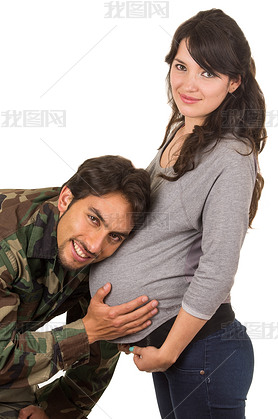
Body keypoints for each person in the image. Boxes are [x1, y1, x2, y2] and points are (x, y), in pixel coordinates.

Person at [86, 9, 266, 418]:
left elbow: (219, 267)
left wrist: (167, 352)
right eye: (181, 67)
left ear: (234, 82)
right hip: (182, 351)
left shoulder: (232, 156)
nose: (188, 84)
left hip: (201, 351)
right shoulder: (183, 129)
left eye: (208, 74)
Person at [0, 155, 159, 419]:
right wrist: (87, 331)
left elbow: (98, 358)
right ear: (65, 199)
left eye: (115, 235)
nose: (95, 245)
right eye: (94, 219)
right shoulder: (6, 246)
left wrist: (51, 412)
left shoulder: (103, 259)